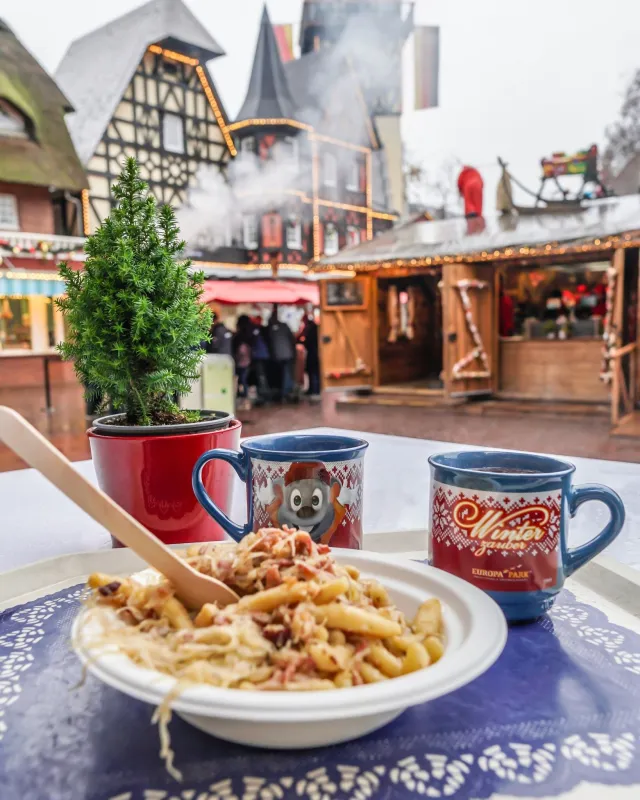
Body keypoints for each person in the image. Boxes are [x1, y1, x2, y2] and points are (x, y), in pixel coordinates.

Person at [267, 305, 296, 402]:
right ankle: (286, 392)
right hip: (287, 354)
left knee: (281, 373)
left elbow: (269, 342)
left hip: (277, 355)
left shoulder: (270, 329)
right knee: (287, 373)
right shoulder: (284, 326)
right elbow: (292, 339)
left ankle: (283, 392)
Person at [298, 308, 321, 398]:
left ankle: (314, 390)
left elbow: (306, 341)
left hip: (312, 353)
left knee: (313, 372)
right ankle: (314, 390)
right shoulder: (314, 328)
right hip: (316, 353)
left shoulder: (309, 329)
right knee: (314, 372)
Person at [249, 315, 271, 403]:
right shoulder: (263, 329)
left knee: (261, 375)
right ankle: (263, 393)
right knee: (262, 374)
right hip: (263, 355)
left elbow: (252, 341)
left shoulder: (256, 330)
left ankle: (263, 393)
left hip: (259, 356)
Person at [233, 315, 253, 403]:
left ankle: (241, 394)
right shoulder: (248, 334)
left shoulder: (239, 336)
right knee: (243, 379)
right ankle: (244, 395)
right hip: (246, 360)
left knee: (240, 378)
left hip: (240, 360)